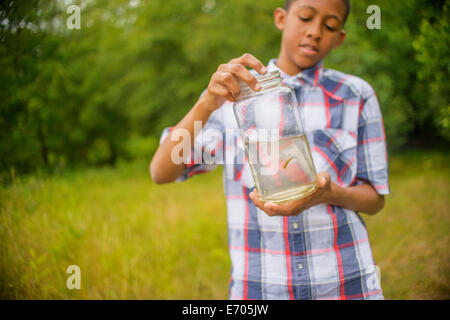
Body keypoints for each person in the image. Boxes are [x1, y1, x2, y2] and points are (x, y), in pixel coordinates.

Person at [150, 0, 390, 300]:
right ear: (281, 18)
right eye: (305, 17)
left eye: (329, 26)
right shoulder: (231, 95)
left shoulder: (355, 95)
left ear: (339, 37)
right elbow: (161, 171)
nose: (315, 32)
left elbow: (375, 199)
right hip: (260, 289)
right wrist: (206, 104)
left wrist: (331, 194)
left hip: (344, 284)